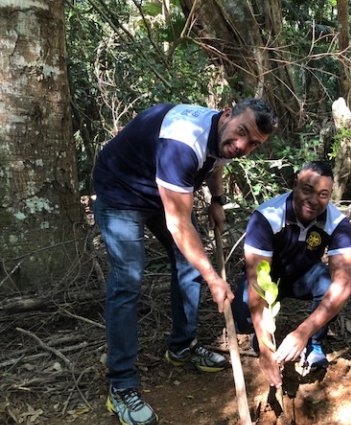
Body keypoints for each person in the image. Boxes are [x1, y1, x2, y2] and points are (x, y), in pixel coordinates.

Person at [93, 99, 277, 425]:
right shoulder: (182, 140)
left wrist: (217, 200)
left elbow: (218, 159)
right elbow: (178, 224)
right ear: (227, 114)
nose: (241, 145)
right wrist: (213, 277)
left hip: (160, 189)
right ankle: (121, 386)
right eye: (241, 133)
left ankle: (181, 346)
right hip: (121, 191)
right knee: (128, 280)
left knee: (189, 263)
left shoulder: (225, 135)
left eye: (253, 144)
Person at [231, 161, 351, 388]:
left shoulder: (337, 222)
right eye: (307, 190)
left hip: (304, 276)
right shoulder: (266, 216)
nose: (313, 200)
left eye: (323, 194)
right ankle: (264, 334)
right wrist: (265, 345)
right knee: (243, 317)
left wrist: (304, 331)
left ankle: (315, 343)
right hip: (269, 280)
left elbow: (344, 284)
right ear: (294, 185)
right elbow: (257, 282)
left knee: (330, 287)